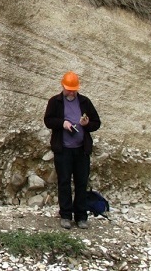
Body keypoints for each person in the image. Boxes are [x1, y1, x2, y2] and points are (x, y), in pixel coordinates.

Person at [44, 71, 101, 230]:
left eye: (73, 89)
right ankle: (66, 216)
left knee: (81, 183)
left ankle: (81, 216)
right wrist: (62, 124)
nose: (71, 92)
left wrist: (86, 124)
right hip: (63, 150)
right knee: (64, 183)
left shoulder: (84, 102)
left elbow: (96, 123)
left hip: (81, 150)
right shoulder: (55, 102)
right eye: (69, 89)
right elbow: (48, 121)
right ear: (63, 86)